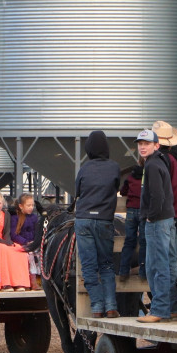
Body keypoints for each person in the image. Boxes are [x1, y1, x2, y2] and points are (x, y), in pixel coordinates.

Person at [135, 129, 177, 324]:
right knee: (170, 265)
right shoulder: (160, 162)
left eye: (146, 143)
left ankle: (159, 309)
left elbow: (157, 196)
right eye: (140, 143)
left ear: (156, 145)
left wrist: (150, 217)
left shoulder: (152, 166)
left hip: (158, 221)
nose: (142, 147)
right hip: (167, 219)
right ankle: (174, 308)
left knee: (156, 265)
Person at [74, 130, 120, 318]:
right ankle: (111, 306)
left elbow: (77, 191)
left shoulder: (84, 168)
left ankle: (96, 307)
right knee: (106, 265)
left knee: (89, 267)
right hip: (104, 220)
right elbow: (115, 187)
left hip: (84, 219)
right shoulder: (114, 167)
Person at [152, 120, 177, 286]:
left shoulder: (164, 160)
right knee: (174, 257)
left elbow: (160, 189)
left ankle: (173, 302)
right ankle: (175, 301)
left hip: (169, 213)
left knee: (166, 259)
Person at [0, 191, 31, 291]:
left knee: (20, 249)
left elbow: (7, 232)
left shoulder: (6, 214)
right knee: (3, 250)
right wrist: (4, 243)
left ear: (2, 203)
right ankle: (4, 283)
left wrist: (8, 242)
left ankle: (19, 282)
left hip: (4, 241)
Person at [117, 163, 145, 283]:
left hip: (131, 212)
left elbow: (123, 192)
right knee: (144, 242)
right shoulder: (146, 179)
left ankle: (123, 271)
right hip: (143, 211)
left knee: (129, 241)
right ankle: (143, 271)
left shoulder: (130, 178)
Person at [11, 194, 43, 290]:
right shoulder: (15, 218)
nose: (31, 208)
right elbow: (13, 235)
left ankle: (41, 279)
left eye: (32, 205)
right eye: (28, 205)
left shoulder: (34, 217)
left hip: (33, 242)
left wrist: (35, 241)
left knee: (40, 253)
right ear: (21, 206)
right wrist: (25, 242)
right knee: (31, 255)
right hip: (21, 242)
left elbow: (37, 231)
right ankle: (33, 282)